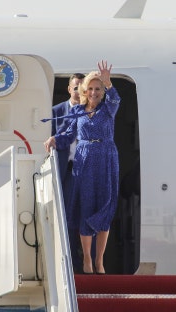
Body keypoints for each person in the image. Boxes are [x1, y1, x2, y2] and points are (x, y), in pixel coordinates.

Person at [44, 60, 119, 275]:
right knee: (86, 207)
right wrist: (54, 139)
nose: (94, 92)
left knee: (106, 206)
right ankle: (86, 258)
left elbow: (115, 99)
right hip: (85, 161)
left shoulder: (108, 109)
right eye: (91, 88)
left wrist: (109, 83)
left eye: (98, 89)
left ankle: (99, 260)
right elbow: (68, 135)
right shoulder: (77, 111)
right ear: (84, 90)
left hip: (106, 159)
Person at [51, 73, 84, 273]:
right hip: (65, 171)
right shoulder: (56, 112)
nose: (79, 90)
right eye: (75, 87)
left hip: (85, 171)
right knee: (66, 217)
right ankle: (71, 265)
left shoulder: (92, 112)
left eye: (83, 87)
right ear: (69, 89)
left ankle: (88, 264)